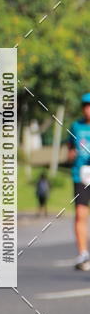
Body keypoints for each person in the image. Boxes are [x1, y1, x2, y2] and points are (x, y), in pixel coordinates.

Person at [67, 92, 90, 271]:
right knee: (81, 214)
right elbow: (69, 149)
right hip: (81, 175)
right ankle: (83, 253)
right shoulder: (76, 127)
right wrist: (71, 155)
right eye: (86, 106)